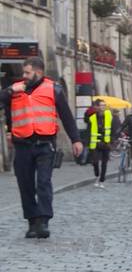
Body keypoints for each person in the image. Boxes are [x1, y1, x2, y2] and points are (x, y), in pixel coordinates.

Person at [0, 57, 83, 239]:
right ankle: (32, 222)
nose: (24, 76)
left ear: (38, 72)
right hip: (22, 146)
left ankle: (43, 221)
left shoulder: (54, 89)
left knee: (43, 183)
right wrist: (8, 90)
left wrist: (75, 140)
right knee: (26, 185)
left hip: (45, 145)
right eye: (23, 73)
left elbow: (67, 117)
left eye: (27, 73)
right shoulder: (15, 90)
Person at [88, 99, 113, 189]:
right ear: (97, 107)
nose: (103, 107)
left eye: (104, 105)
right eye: (101, 105)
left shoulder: (109, 116)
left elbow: (113, 128)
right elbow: (88, 129)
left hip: (105, 143)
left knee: (104, 163)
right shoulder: (92, 117)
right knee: (95, 162)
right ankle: (97, 175)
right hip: (95, 143)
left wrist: (111, 140)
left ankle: (102, 180)